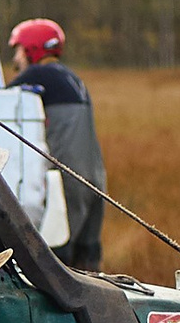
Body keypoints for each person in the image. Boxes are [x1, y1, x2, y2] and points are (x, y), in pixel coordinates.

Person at [7, 17, 106, 271]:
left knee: (57, 267)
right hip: (95, 179)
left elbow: (0, 106)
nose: (16, 59)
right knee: (88, 265)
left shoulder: (36, 75)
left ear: (32, 49)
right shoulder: (73, 78)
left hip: (68, 181)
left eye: (18, 49)